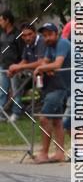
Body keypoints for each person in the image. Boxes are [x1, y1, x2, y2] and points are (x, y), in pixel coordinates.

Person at [33, 23, 71, 163]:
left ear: (57, 34)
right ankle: (60, 153)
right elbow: (45, 63)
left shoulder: (62, 43)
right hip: (62, 86)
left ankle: (44, 153)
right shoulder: (50, 46)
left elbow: (57, 64)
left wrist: (41, 69)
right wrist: (44, 68)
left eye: (49, 35)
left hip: (68, 86)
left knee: (45, 118)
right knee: (57, 120)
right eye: (44, 35)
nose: (47, 38)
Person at [7, 22, 46, 120]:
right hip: (33, 74)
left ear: (35, 33)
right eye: (24, 35)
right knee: (14, 77)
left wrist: (19, 67)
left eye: (30, 34)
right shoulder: (28, 45)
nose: (27, 38)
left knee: (39, 78)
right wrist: (14, 69)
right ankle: (17, 110)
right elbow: (24, 60)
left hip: (46, 73)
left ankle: (42, 108)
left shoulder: (41, 41)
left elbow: (40, 62)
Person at [0, 9, 22, 121]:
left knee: (16, 90)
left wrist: (19, 66)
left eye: (1, 20)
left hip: (14, 67)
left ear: (7, 20)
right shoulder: (2, 34)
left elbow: (21, 51)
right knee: (2, 90)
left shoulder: (17, 34)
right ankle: (2, 113)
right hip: (3, 67)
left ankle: (16, 113)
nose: (0, 22)